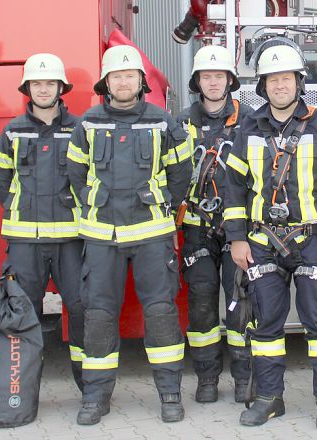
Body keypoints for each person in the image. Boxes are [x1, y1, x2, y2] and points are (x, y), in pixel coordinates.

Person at [222, 43, 317, 430]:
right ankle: (268, 398)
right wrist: (237, 239)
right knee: (265, 326)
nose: (281, 85)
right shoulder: (248, 126)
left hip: (313, 241)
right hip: (262, 242)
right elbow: (234, 188)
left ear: (299, 82)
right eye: (273, 79)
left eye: (287, 78)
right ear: (263, 85)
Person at [66, 45, 192, 425]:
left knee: (161, 312)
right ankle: (95, 397)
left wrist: (163, 203)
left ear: (141, 81)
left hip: (152, 234)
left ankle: (170, 394)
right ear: (106, 82)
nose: (124, 81)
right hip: (103, 236)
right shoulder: (87, 123)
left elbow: (180, 174)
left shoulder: (162, 122)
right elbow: (74, 174)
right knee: (100, 315)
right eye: (117, 76)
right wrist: (92, 202)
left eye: (130, 76)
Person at [0, 53, 85, 391]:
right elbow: (0, 178)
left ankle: (88, 387)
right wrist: (19, 207)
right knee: (22, 310)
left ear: (61, 88)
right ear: (28, 88)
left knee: (80, 308)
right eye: (37, 83)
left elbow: (89, 177)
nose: (43, 89)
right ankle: (22, 387)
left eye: (49, 83)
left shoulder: (78, 129)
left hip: (71, 239)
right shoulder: (13, 131)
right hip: (25, 240)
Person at [175, 45, 254, 403]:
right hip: (196, 228)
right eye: (206, 76)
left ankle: (244, 377)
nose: (212, 82)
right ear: (197, 81)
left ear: (229, 80)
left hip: (238, 229)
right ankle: (207, 378)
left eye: (218, 76)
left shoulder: (250, 119)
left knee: (240, 302)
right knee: (202, 302)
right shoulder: (180, 123)